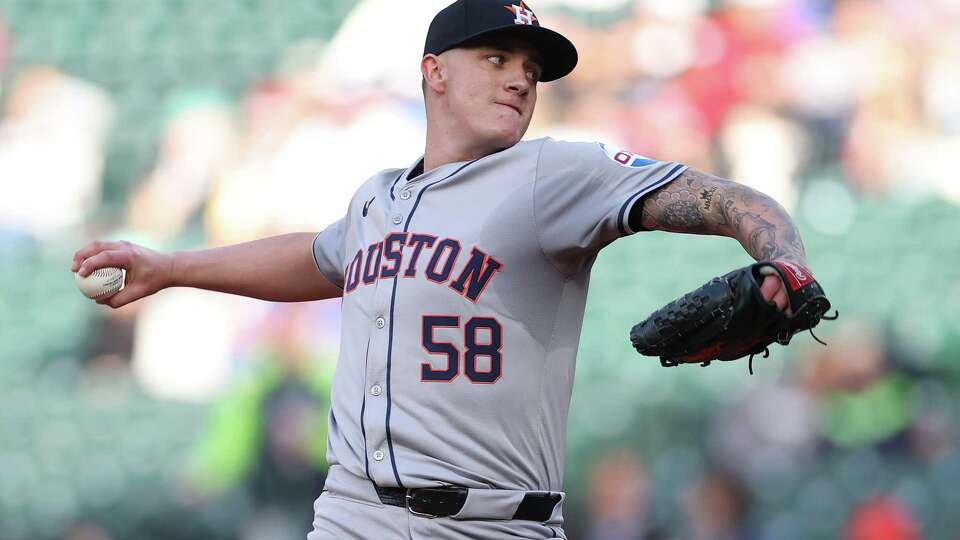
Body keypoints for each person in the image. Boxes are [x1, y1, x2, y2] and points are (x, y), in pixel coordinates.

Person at [72, 1, 812, 538]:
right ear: (434, 73)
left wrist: (783, 259)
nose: (520, 80)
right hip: (353, 515)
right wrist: (169, 266)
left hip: (493, 525)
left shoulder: (552, 174)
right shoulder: (376, 199)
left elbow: (717, 197)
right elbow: (319, 257)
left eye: (529, 69)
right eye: (496, 60)